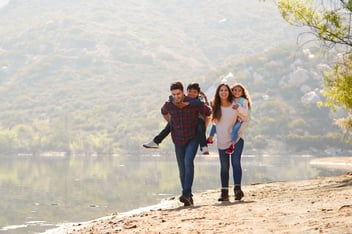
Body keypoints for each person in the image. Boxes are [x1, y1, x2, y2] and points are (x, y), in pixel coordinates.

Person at [161, 81, 212, 206]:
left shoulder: (192, 102)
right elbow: (163, 111)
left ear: (183, 92)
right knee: (181, 168)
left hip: (192, 137)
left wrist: (203, 124)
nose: (176, 96)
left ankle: (186, 193)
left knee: (188, 162)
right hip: (178, 139)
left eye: (178, 94)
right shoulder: (169, 104)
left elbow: (208, 112)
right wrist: (172, 123)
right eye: (174, 94)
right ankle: (187, 196)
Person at [143, 83, 211, 155]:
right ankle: (156, 141)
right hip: (185, 122)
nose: (192, 94)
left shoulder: (199, 99)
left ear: (198, 93)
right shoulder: (181, 98)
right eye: (190, 91)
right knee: (170, 125)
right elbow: (169, 101)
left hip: (198, 118)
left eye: (194, 92)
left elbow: (201, 104)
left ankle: (203, 146)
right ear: (186, 92)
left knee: (200, 127)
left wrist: (188, 103)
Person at [210, 83, 250, 202]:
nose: (223, 92)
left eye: (226, 90)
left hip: (235, 140)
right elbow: (215, 123)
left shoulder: (235, 105)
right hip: (222, 141)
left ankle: (238, 190)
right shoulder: (216, 107)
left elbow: (245, 119)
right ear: (218, 93)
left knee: (236, 163)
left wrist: (238, 132)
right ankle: (224, 193)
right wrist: (211, 136)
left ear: (229, 92)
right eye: (221, 90)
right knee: (224, 167)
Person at [207, 83, 251, 155]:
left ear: (242, 92)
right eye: (235, 90)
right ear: (232, 91)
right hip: (223, 140)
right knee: (215, 124)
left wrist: (238, 108)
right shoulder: (231, 100)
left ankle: (232, 144)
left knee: (235, 129)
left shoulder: (243, 100)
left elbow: (246, 114)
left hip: (239, 120)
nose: (237, 92)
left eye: (239, 91)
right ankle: (210, 138)